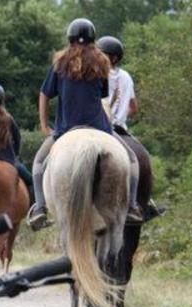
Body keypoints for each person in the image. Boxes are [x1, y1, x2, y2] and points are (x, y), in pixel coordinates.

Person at [27, 18, 144, 231]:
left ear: (70, 39)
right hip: (99, 127)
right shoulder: (102, 63)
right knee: (132, 160)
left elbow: (44, 94)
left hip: (65, 129)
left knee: (38, 164)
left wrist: (45, 125)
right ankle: (133, 207)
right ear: (93, 39)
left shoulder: (59, 63)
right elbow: (102, 96)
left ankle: (40, 208)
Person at [98, 35, 164, 220]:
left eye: (102, 53)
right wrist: (120, 114)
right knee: (143, 159)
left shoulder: (97, 73)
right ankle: (145, 202)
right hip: (121, 128)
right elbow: (134, 108)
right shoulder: (126, 76)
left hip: (100, 127)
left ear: (114, 58)